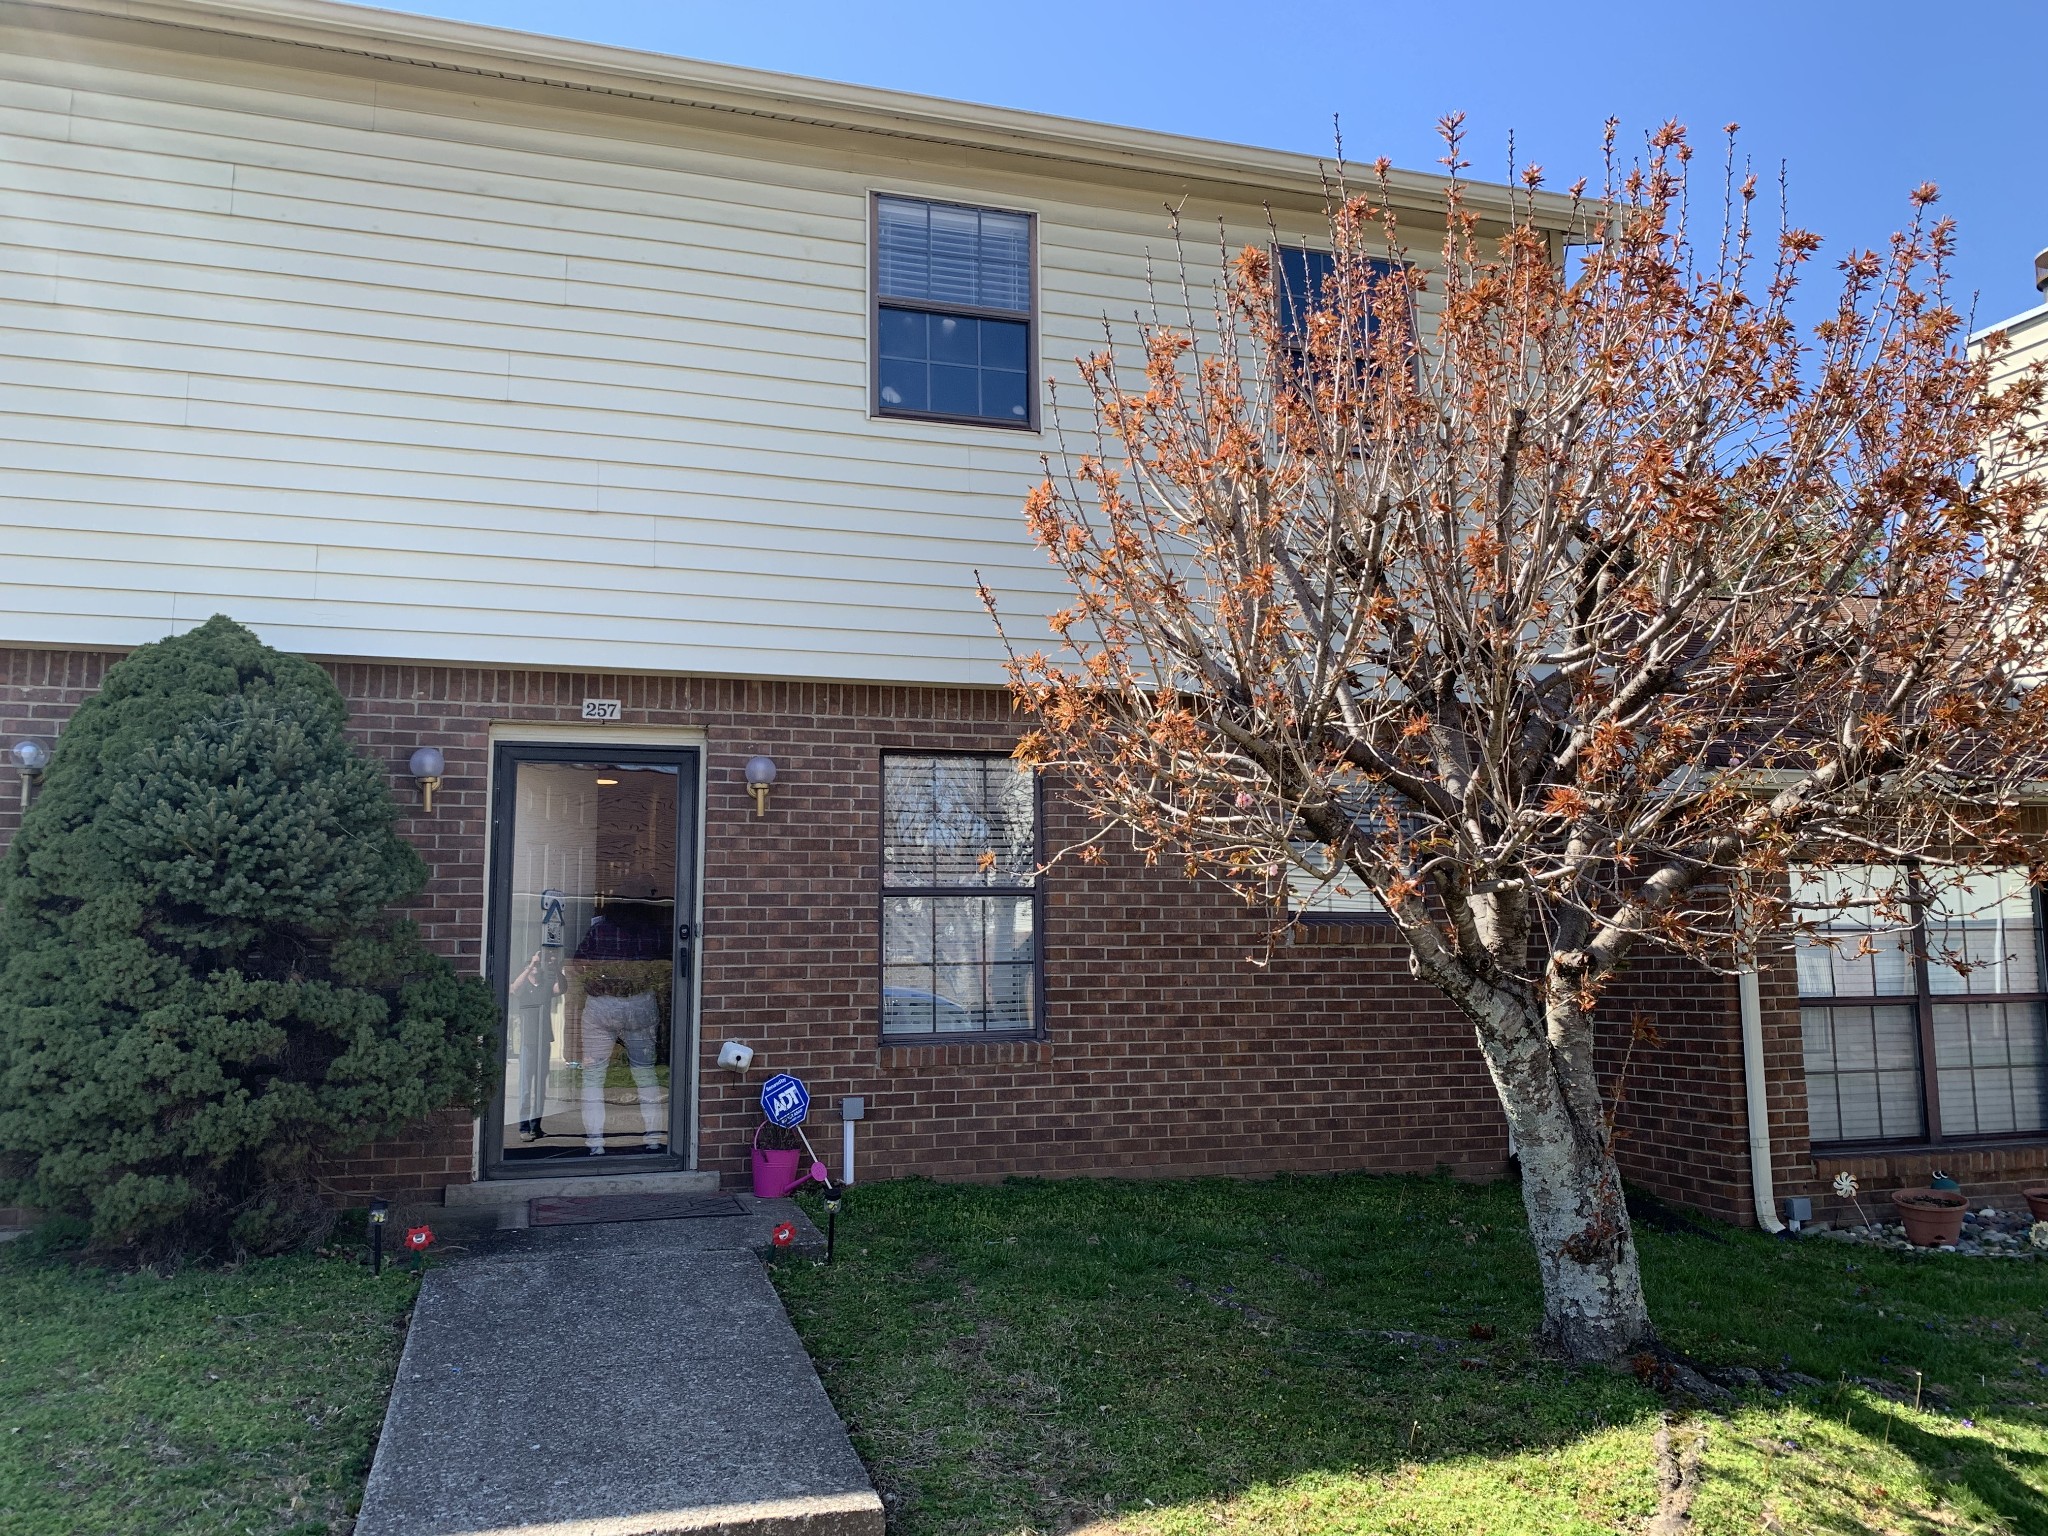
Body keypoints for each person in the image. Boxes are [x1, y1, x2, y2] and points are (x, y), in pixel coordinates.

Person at [565, 874, 670, 1154]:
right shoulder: (655, 932)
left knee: (593, 1077)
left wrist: (594, 979)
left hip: (602, 1005)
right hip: (641, 1004)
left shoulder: (601, 929)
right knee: (646, 1075)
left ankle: (596, 1143)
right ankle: (652, 1138)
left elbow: (577, 963)